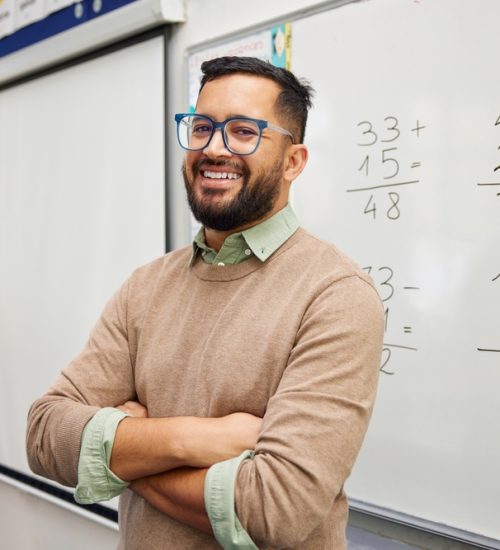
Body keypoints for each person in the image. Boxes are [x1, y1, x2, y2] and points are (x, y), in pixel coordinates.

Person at [27, 56, 384, 549]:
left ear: (292, 162)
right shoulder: (145, 286)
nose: (214, 148)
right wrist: (192, 439)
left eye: (243, 132)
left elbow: (272, 508)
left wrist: (125, 450)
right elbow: (46, 435)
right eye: (201, 127)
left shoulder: (335, 295)